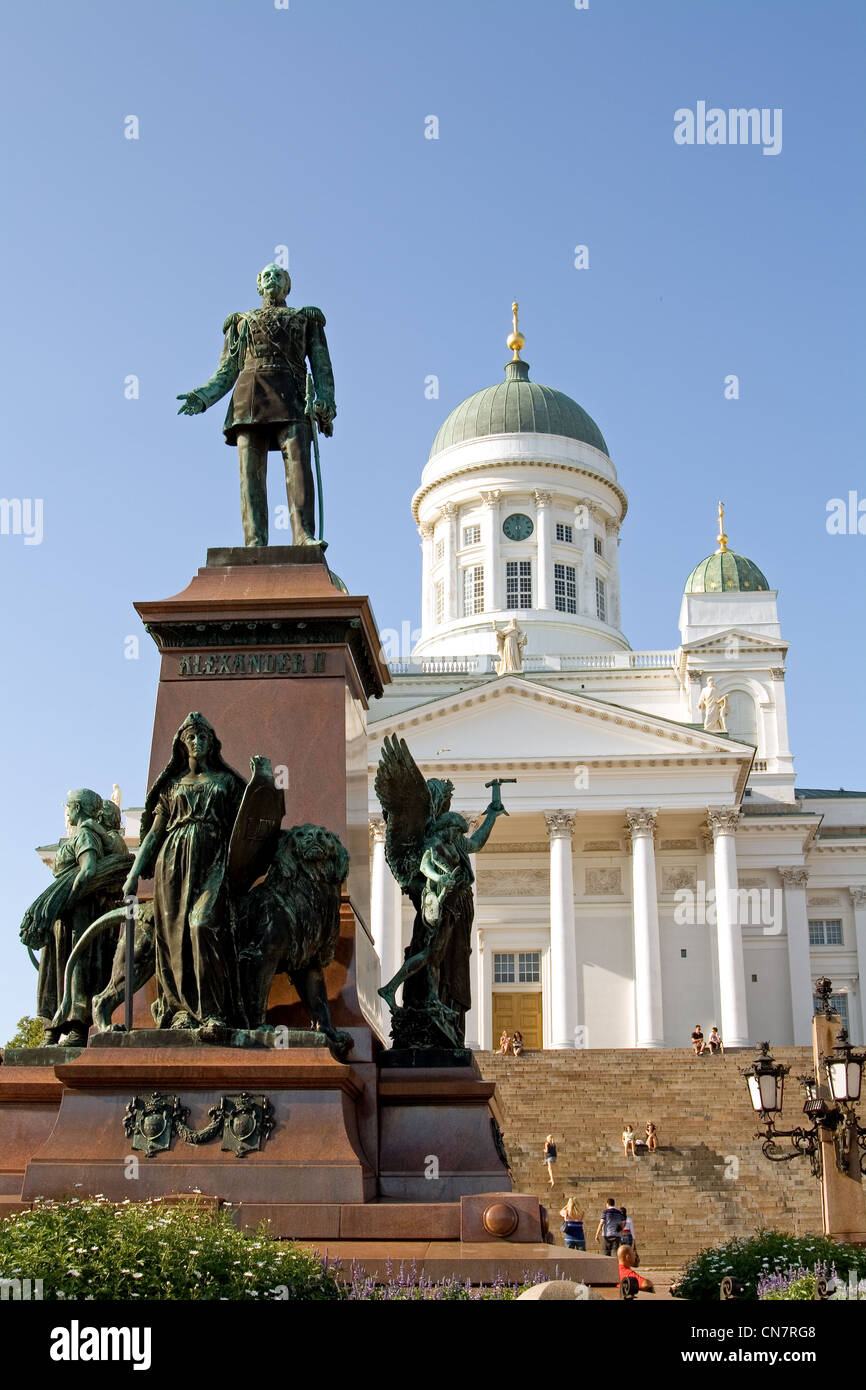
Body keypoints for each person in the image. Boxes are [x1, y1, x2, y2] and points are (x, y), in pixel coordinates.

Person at [177, 263, 336, 548]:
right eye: (268, 276)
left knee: (299, 466)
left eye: (279, 276)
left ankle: (303, 536)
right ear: (259, 284)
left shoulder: (305, 318)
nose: (273, 279)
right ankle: (255, 542)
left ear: (287, 286)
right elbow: (226, 371)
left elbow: (322, 366)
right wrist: (203, 396)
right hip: (249, 397)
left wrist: (325, 399)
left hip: (294, 396)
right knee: (250, 473)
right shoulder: (241, 322)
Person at [123, 712, 246, 1032]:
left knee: (202, 924)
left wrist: (263, 782)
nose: (197, 741)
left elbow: (248, 823)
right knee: (173, 938)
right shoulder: (172, 786)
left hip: (214, 860)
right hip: (172, 862)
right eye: (191, 736)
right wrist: (134, 873)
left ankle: (214, 1010)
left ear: (212, 741)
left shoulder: (227, 783)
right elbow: (153, 833)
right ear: (181, 743)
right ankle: (181, 1011)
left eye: (203, 735)